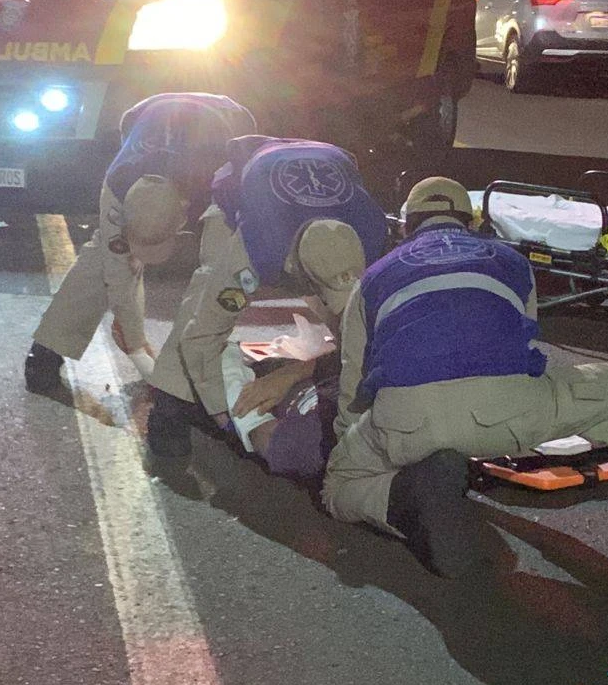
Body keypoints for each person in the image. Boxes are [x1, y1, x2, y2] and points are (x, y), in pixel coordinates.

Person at [321, 177, 608, 579]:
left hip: (409, 423)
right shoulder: (511, 262)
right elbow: (523, 344)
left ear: (406, 226)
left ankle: (404, 495)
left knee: (338, 486)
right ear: (473, 222)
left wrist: (352, 445)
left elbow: (354, 379)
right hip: (507, 414)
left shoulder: (372, 279)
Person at [143, 138, 389, 458]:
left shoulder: (373, 234)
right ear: (295, 268)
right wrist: (231, 418)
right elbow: (201, 336)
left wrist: (297, 373)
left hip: (321, 167)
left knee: (356, 326)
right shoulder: (257, 248)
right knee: (201, 310)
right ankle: (169, 406)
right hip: (242, 191)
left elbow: (367, 332)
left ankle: (326, 380)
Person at [25, 92, 256, 394]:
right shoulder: (118, 182)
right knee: (104, 257)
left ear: (184, 215)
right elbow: (117, 267)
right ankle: (46, 352)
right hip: (141, 115)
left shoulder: (226, 182)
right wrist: (134, 341)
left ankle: (184, 373)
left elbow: (219, 275)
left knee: (218, 272)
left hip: (230, 120)